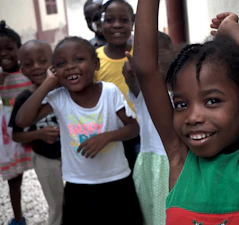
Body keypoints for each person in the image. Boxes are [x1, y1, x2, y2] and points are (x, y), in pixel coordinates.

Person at [130, 0, 239, 224]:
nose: (193, 117)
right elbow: (145, 69)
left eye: (212, 101)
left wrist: (230, 29)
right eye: (181, 104)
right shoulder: (180, 159)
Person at [15, 36, 143, 224]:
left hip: (117, 181)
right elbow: (21, 120)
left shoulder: (110, 92)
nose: (70, 66)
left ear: (96, 64)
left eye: (78, 59)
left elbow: (133, 128)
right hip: (78, 184)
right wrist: (48, 84)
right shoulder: (58, 97)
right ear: (55, 71)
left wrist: (107, 137)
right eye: (61, 63)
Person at [9, 40, 63, 225]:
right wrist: (38, 135)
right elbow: (17, 135)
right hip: (46, 159)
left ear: (55, 61)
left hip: (75, 158)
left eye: (42, 60)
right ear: (22, 70)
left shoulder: (67, 89)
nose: (37, 67)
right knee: (57, 205)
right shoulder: (24, 98)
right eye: (29, 64)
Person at [123, 31, 173, 225]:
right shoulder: (144, 91)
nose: (154, 64)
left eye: (160, 56)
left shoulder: (182, 90)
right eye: (148, 59)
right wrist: (131, 77)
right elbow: (133, 84)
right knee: (149, 212)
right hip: (149, 161)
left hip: (173, 162)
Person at [95, 0, 140, 175]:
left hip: (141, 133)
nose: (116, 25)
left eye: (123, 20)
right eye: (110, 20)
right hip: (110, 135)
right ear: (100, 24)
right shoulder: (94, 59)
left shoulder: (142, 54)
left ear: (133, 23)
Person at [0, 20, 33, 225]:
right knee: (14, 178)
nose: (4, 54)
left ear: (19, 49)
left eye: (10, 48)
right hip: (9, 130)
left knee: (46, 167)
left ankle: (60, 211)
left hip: (32, 123)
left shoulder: (28, 72)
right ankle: (18, 218)